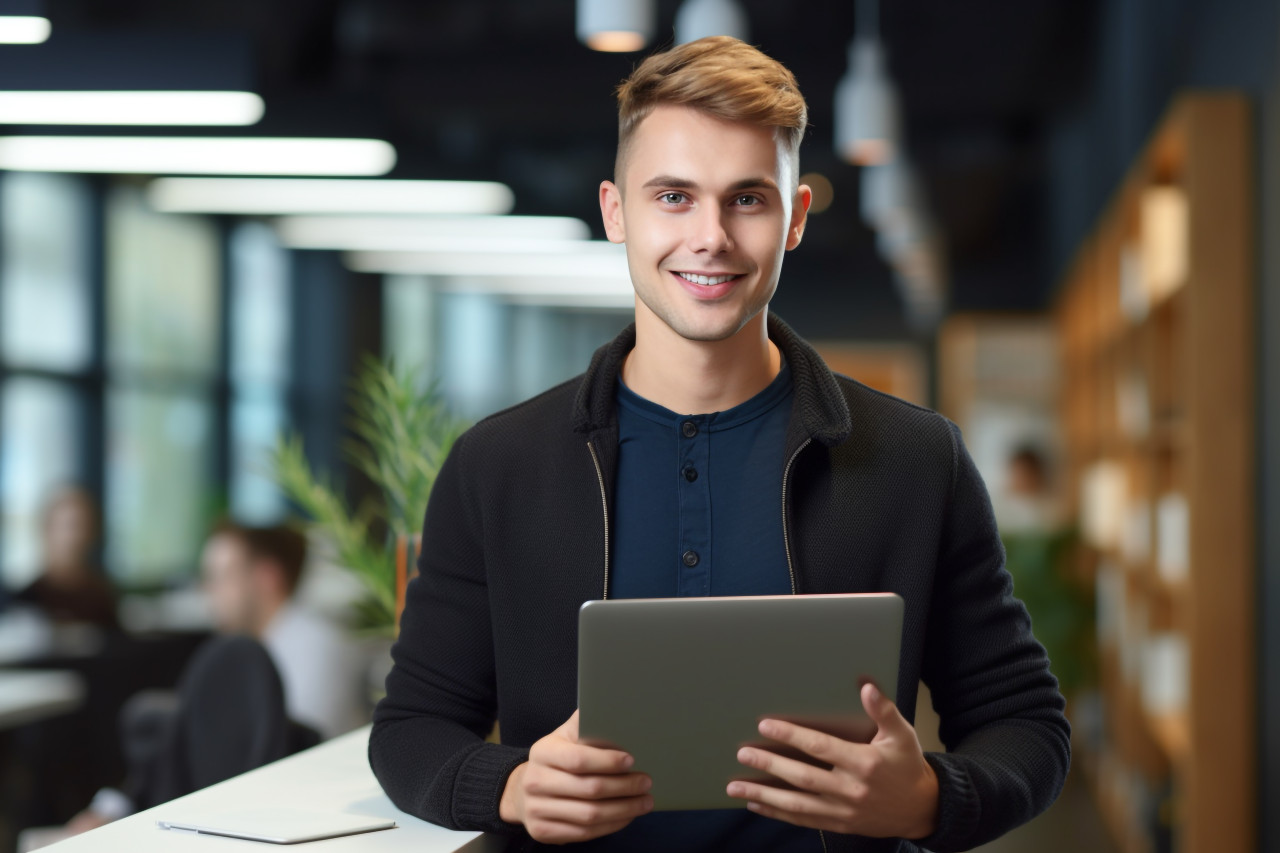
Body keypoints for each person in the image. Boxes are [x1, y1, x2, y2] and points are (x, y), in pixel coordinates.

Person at [370, 36, 1069, 853]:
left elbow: (1027, 726)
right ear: (615, 211)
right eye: (673, 197)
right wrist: (513, 785)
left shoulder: (918, 461)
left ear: (796, 217)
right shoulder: (497, 465)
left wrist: (928, 798)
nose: (710, 237)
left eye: (747, 199)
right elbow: (411, 729)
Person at [199, 521, 366, 741]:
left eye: (223, 576)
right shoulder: (254, 650)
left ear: (268, 577)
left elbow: (299, 745)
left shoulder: (314, 647)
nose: (209, 591)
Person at [14, 486, 118, 630]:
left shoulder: (103, 597)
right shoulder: (27, 600)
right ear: (47, 531)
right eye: (67, 527)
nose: (74, 537)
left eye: (83, 526)